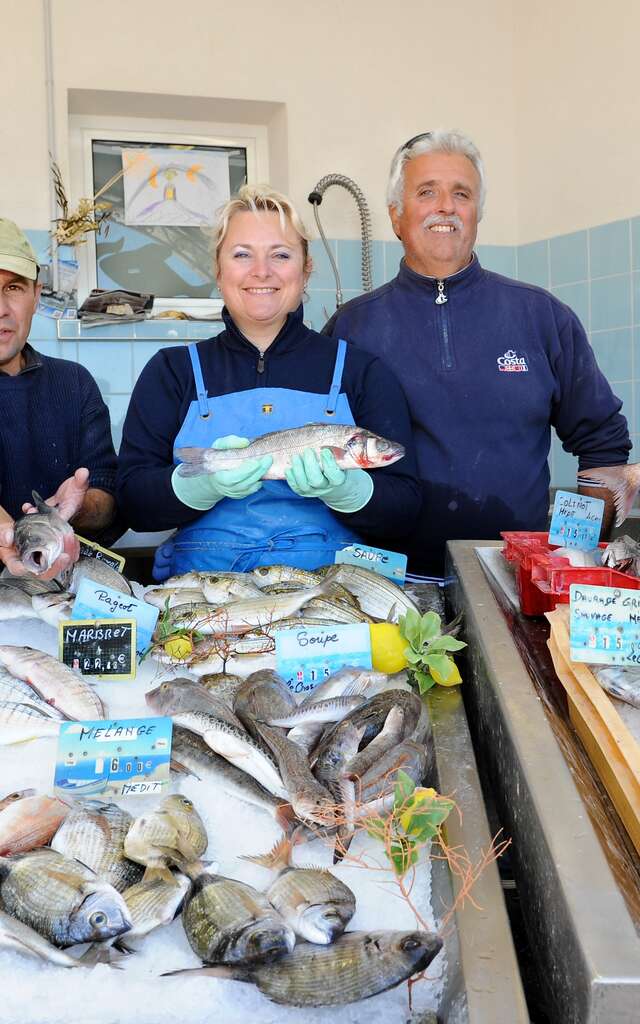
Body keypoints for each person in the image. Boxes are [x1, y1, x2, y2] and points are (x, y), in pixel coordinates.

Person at [323, 129, 631, 575]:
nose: (445, 206)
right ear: (396, 215)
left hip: (513, 576)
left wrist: (568, 556)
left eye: (461, 193)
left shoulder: (542, 316)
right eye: (426, 192)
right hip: (389, 579)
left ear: (476, 214)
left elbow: (602, 443)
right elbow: (319, 447)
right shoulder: (352, 327)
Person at [116, 185, 421, 578]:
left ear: (306, 268)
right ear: (218, 268)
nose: (262, 271)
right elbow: (132, 502)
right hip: (207, 592)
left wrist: (348, 491)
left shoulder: (360, 371)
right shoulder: (171, 371)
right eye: (242, 255)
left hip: (331, 594)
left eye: (280, 255)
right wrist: (198, 486)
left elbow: (406, 507)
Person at [0, 218, 118, 578]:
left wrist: (79, 507)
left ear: (36, 296)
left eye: (13, 287)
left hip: (62, 588)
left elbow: (106, 500)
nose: (1, 308)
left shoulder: (74, 383)